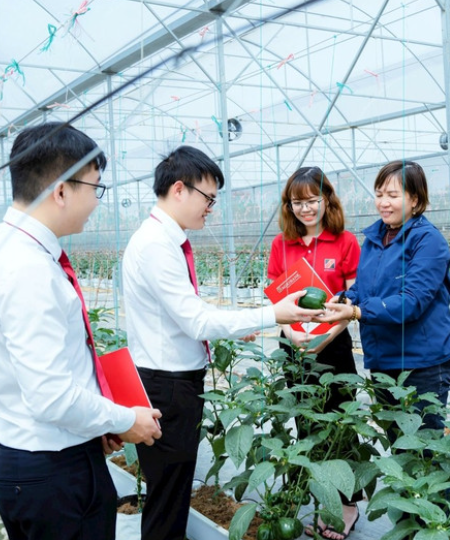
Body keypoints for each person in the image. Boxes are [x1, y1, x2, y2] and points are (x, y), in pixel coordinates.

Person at [0, 122, 163, 540]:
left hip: (29, 460)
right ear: (60, 192)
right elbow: (51, 396)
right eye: (95, 187)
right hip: (54, 476)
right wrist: (126, 419)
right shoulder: (29, 271)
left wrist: (95, 423)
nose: (96, 201)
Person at [122, 146, 323, 540]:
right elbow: (196, 320)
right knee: (167, 499)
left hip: (169, 383)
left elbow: (185, 313)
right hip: (167, 388)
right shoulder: (156, 245)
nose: (210, 208)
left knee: (171, 493)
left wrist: (232, 325)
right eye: (208, 198)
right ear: (179, 189)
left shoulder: (162, 240)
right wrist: (272, 314)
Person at [317, 160, 450, 435]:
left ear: (415, 199)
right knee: (396, 440)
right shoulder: (374, 238)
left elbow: (412, 301)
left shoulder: (428, 241)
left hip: (420, 363)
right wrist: (344, 299)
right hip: (382, 360)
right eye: (379, 194)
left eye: (393, 195)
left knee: (422, 446)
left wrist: (356, 312)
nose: (383, 202)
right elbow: (364, 287)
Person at [267, 166, 362, 540]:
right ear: (288, 206)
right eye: (297, 202)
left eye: (312, 200)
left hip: (333, 343)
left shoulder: (345, 242)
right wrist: (293, 334)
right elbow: (276, 298)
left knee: (340, 423)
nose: (305, 208)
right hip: (293, 344)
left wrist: (325, 337)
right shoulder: (281, 244)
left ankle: (348, 505)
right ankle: (323, 502)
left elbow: (353, 300)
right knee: (305, 422)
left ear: (327, 200)